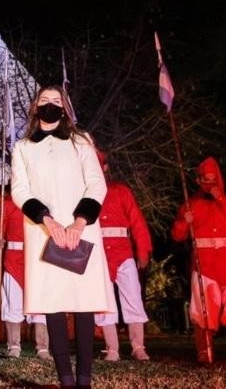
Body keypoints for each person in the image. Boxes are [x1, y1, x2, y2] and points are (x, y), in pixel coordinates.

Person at [10, 85, 114, 388]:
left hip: (81, 229)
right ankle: (65, 378)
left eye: (57, 101)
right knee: (53, 302)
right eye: (45, 101)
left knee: (83, 303)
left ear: (65, 108)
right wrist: (49, 222)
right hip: (44, 232)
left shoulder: (81, 141)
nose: (51, 105)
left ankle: (84, 378)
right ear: (34, 108)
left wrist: (78, 223)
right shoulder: (23, 147)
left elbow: (96, 183)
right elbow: (20, 190)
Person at [93, 150, 152, 361]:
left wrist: (142, 251)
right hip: (98, 256)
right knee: (103, 301)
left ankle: (138, 347)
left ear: (105, 167)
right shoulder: (85, 195)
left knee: (132, 297)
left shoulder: (121, 192)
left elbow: (137, 222)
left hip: (123, 252)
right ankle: (112, 349)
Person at [171, 155, 226, 363]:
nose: (210, 185)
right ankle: (204, 350)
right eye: (206, 180)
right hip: (204, 265)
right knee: (203, 312)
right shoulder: (190, 205)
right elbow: (177, 236)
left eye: (214, 180)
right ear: (198, 181)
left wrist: (220, 198)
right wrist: (184, 223)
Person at [0, 183, 50, 360]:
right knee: (13, 303)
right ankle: (14, 345)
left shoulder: (43, 202)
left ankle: (42, 347)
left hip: (37, 260)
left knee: (40, 305)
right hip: (13, 260)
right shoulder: (8, 204)